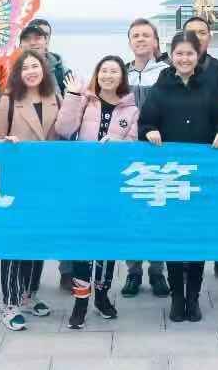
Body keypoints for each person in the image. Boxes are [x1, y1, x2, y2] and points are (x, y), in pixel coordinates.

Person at [139, 32, 218, 322]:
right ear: (171, 55)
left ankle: (194, 296)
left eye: (189, 53)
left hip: (202, 176)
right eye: (179, 53)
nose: (184, 58)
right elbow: (145, 122)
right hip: (172, 177)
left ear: (197, 55)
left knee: (198, 237)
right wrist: (149, 132)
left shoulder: (210, 86)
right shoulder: (160, 88)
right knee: (174, 237)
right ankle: (177, 296)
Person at [56, 56, 140, 329]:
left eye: (114, 71)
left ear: (122, 77)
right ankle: (80, 301)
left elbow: (135, 145)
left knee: (107, 241)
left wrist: (120, 143)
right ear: (97, 74)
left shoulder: (131, 109)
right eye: (104, 70)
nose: (108, 75)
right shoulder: (84, 100)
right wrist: (72, 96)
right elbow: (63, 129)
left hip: (113, 186)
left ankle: (102, 296)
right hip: (83, 183)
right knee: (82, 241)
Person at [0, 49, 61, 331]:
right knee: (14, 240)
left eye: (35, 66)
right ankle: (10, 303)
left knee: (37, 239)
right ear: (18, 74)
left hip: (46, 182)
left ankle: (29, 294)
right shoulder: (9, 100)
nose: (31, 71)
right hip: (16, 181)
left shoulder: (55, 97)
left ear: (44, 69)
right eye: (25, 67)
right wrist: (5, 142)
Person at [179, 15, 218, 284]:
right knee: (185, 207)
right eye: (191, 32)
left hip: (215, 148)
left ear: (210, 36)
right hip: (182, 148)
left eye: (202, 32)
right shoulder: (172, 67)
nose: (197, 37)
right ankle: (184, 259)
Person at [122, 18, 171, 298]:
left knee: (158, 213)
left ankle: (157, 270)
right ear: (129, 42)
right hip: (129, 154)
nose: (140, 39)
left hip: (159, 153)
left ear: (155, 41)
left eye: (146, 35)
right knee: (131, 214)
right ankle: (133, 271)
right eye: (135, 35)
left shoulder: (167, 73)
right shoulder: (121, 73)